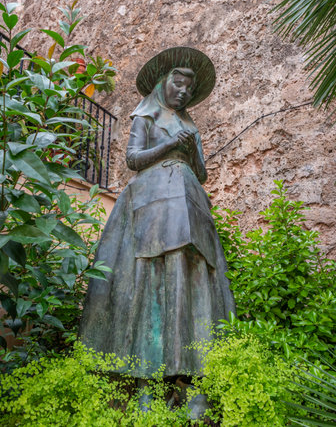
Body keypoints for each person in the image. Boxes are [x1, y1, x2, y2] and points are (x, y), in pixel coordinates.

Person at [79, 47, 236, 383]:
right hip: (150, 197)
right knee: (146, 275)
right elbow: (133, 159)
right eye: (178, 84)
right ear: (165, 82)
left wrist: (191, 150)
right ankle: (144, 370)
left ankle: (190, 369)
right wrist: (168, 146)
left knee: (192, 274)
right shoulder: (145, 115)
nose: (183, 92)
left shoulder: (190, 126)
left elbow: (203, 174)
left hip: (189, 199)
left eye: (189, 89)